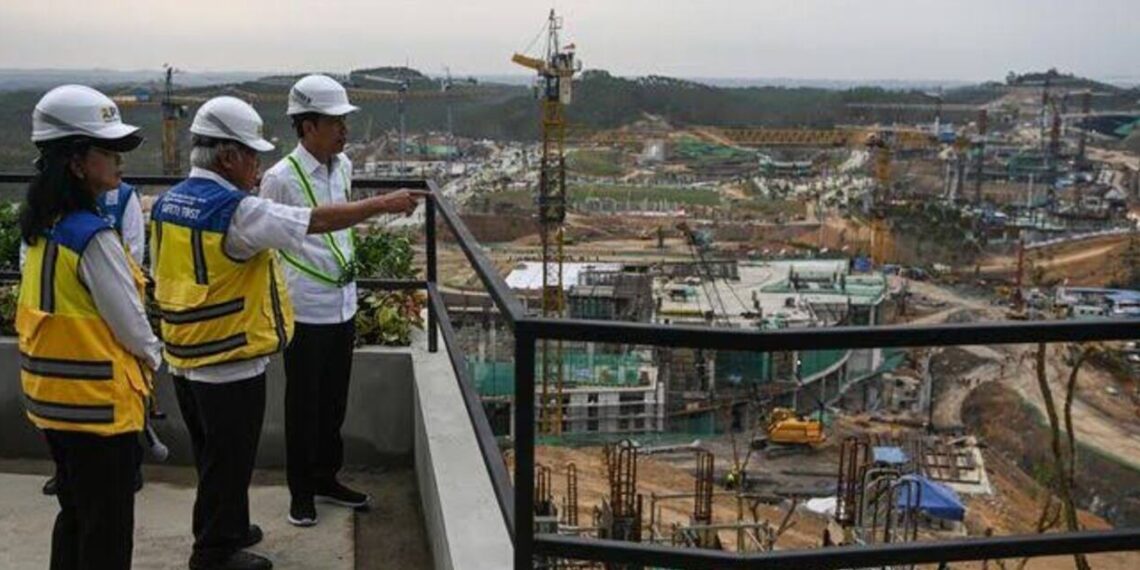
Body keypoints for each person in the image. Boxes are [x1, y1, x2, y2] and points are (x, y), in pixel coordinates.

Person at [150, 96, 422, 570]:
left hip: (185, 351)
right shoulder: (236, 211)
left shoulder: (170, 201)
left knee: (214, 455)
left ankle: (230, 528)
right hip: (228, 355)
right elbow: (313, 221)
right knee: (229, 458)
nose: (257, 166)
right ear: (228, 156)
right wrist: (381, 204)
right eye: (251, 155)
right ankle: (213, 552)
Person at [17, 84, 163, 570]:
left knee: (75, 514)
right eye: (109, 151)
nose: (120, 161)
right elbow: (131, 323)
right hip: (98, 410)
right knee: (107, 530)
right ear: (77, 163)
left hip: (52, 402)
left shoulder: (43, 227)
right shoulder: (94, 237)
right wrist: (155, 356)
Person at [260, 74, 367, 527]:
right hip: (305, 309)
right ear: (307, 126)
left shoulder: (343, 167)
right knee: (303, 406)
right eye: (335, 122)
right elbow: (267, 241)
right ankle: (301, 492)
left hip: (342, 303)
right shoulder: (279, 178)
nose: (344, 130)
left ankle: (327, 477)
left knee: (334, 402)